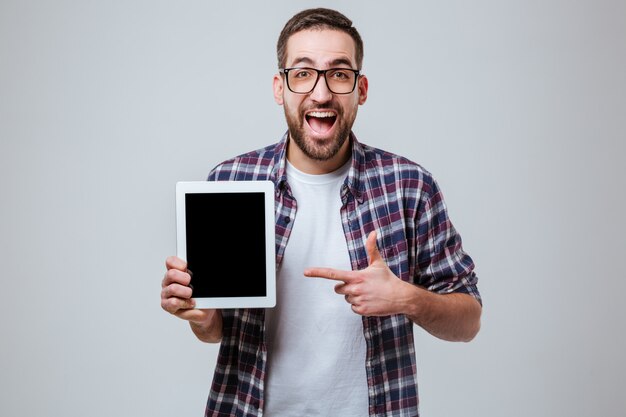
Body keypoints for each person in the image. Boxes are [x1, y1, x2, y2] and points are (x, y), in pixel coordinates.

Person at [161, 8, 481, 417]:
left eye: (339, 73)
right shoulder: (229, 181)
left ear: (360, 89)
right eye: (303, 73)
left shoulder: (409, 186)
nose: (321, 92)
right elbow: (213, 330)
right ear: (280, 88)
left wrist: (407, 298)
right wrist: (201, 315)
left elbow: (468, 320)